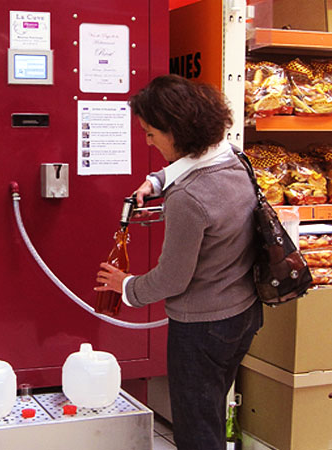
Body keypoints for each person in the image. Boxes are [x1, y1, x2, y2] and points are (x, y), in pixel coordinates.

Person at [95, 74, 263, 450]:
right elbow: (192, 166)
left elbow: (172, 279)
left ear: (176, 131)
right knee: (210, 411)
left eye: (151, 133)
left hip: (202, 329)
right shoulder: (235, 160)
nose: (147, 141)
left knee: (196, 431)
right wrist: (155, 181)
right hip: (244, 313)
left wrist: (124, 285)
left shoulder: (188, 198)